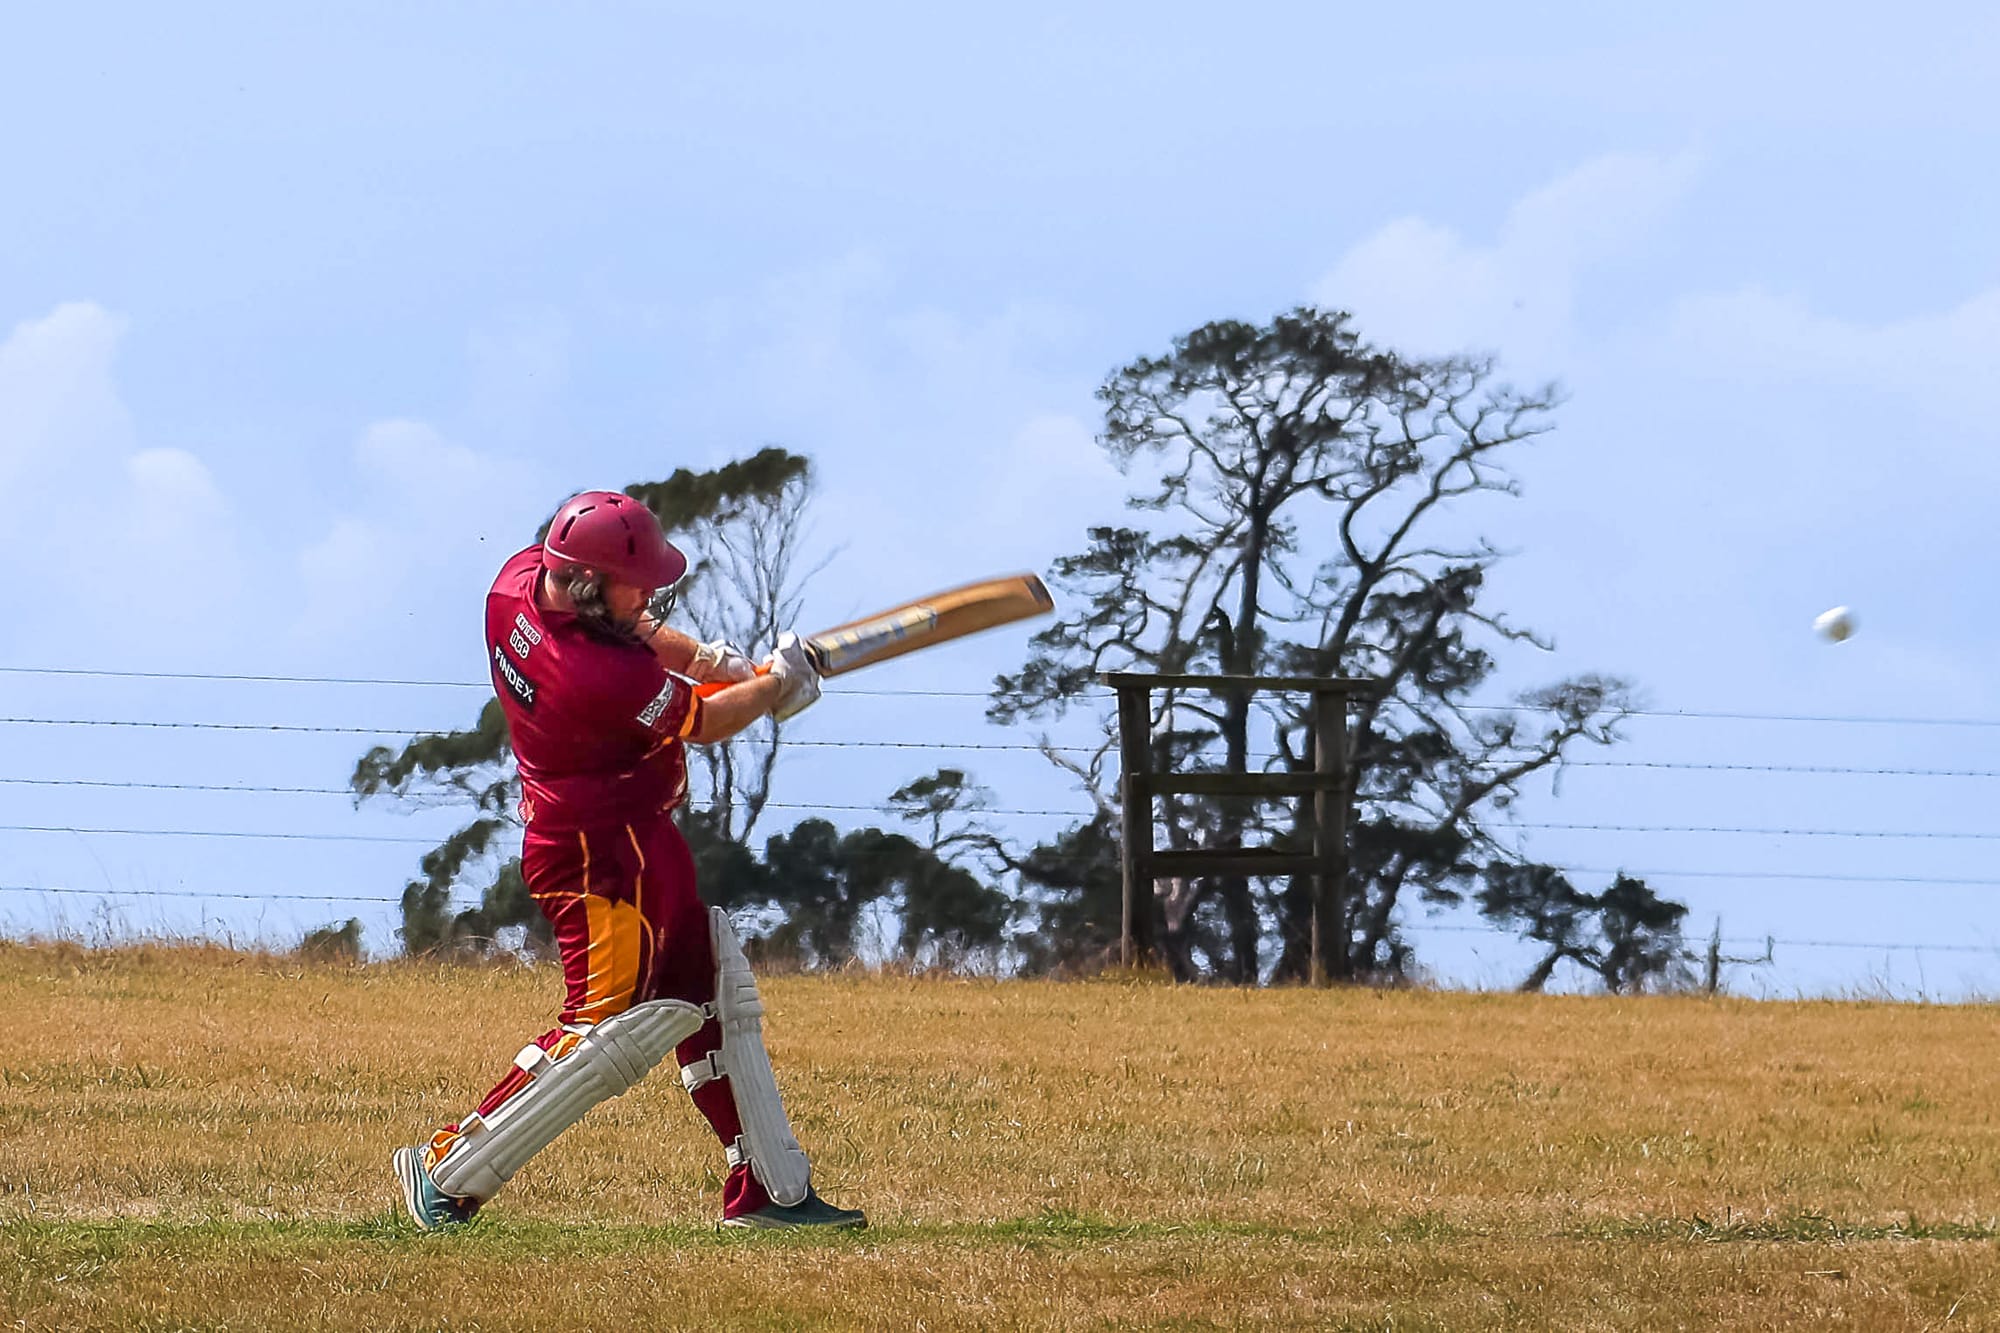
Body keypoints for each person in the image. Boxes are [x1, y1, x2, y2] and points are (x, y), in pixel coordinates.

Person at [392, 489, 865, 1231]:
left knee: (712, 988)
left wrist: (708, 658)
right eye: (634, 583)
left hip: (635, 835)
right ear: (587, 584)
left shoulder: (516, 585)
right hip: (598, 857)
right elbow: (705, 719)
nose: (648, 595)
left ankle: (769, 1191)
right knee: (605, 1026)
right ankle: (446, 1172)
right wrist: (776, 686)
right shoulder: (597, 676)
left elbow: (634, 630)